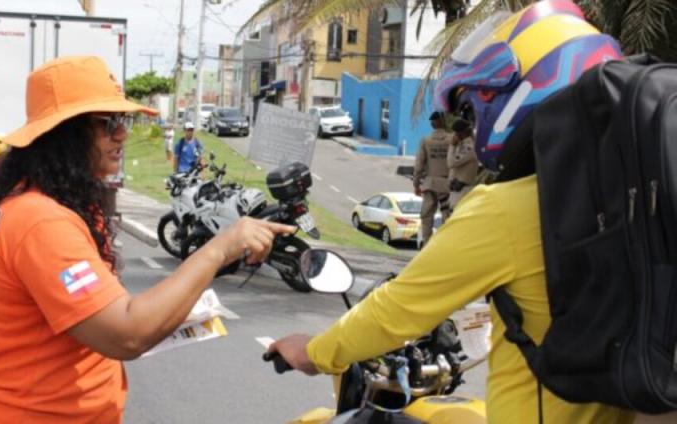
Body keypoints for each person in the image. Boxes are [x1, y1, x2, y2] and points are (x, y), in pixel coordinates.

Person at [268, 3, 639, 423]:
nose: (473, 125)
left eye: (472, 110)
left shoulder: (506, 209)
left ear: (522, 94)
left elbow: (399, 309)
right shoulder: (638, 198)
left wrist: (314, 352)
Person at [0, 56, 293, 424]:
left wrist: (170, 313)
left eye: (122, 121)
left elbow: (100, 317)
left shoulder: (54, 204)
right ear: (64, 135)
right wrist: (220, 248)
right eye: (108, 124)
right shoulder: (41, 221)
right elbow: (126, 334)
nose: (122, 135)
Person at [413, 111, 451, 247]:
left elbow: (419, 165)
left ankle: (427, 243)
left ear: (432, 124)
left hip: (430, 184)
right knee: (447, 215)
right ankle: (446, 244)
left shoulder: (425, 141)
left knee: (427, 216)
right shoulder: (452, 139)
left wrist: (416, 184)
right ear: (443, 122)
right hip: (446, 184)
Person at [446, 118, 479, 210]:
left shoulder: (469, 147)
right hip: (457, 192)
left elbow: (451, 163)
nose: (454, 135)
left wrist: (452, 146)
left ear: (461, 133)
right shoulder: (461, 145)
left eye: (455, 133)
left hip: (462, 191)